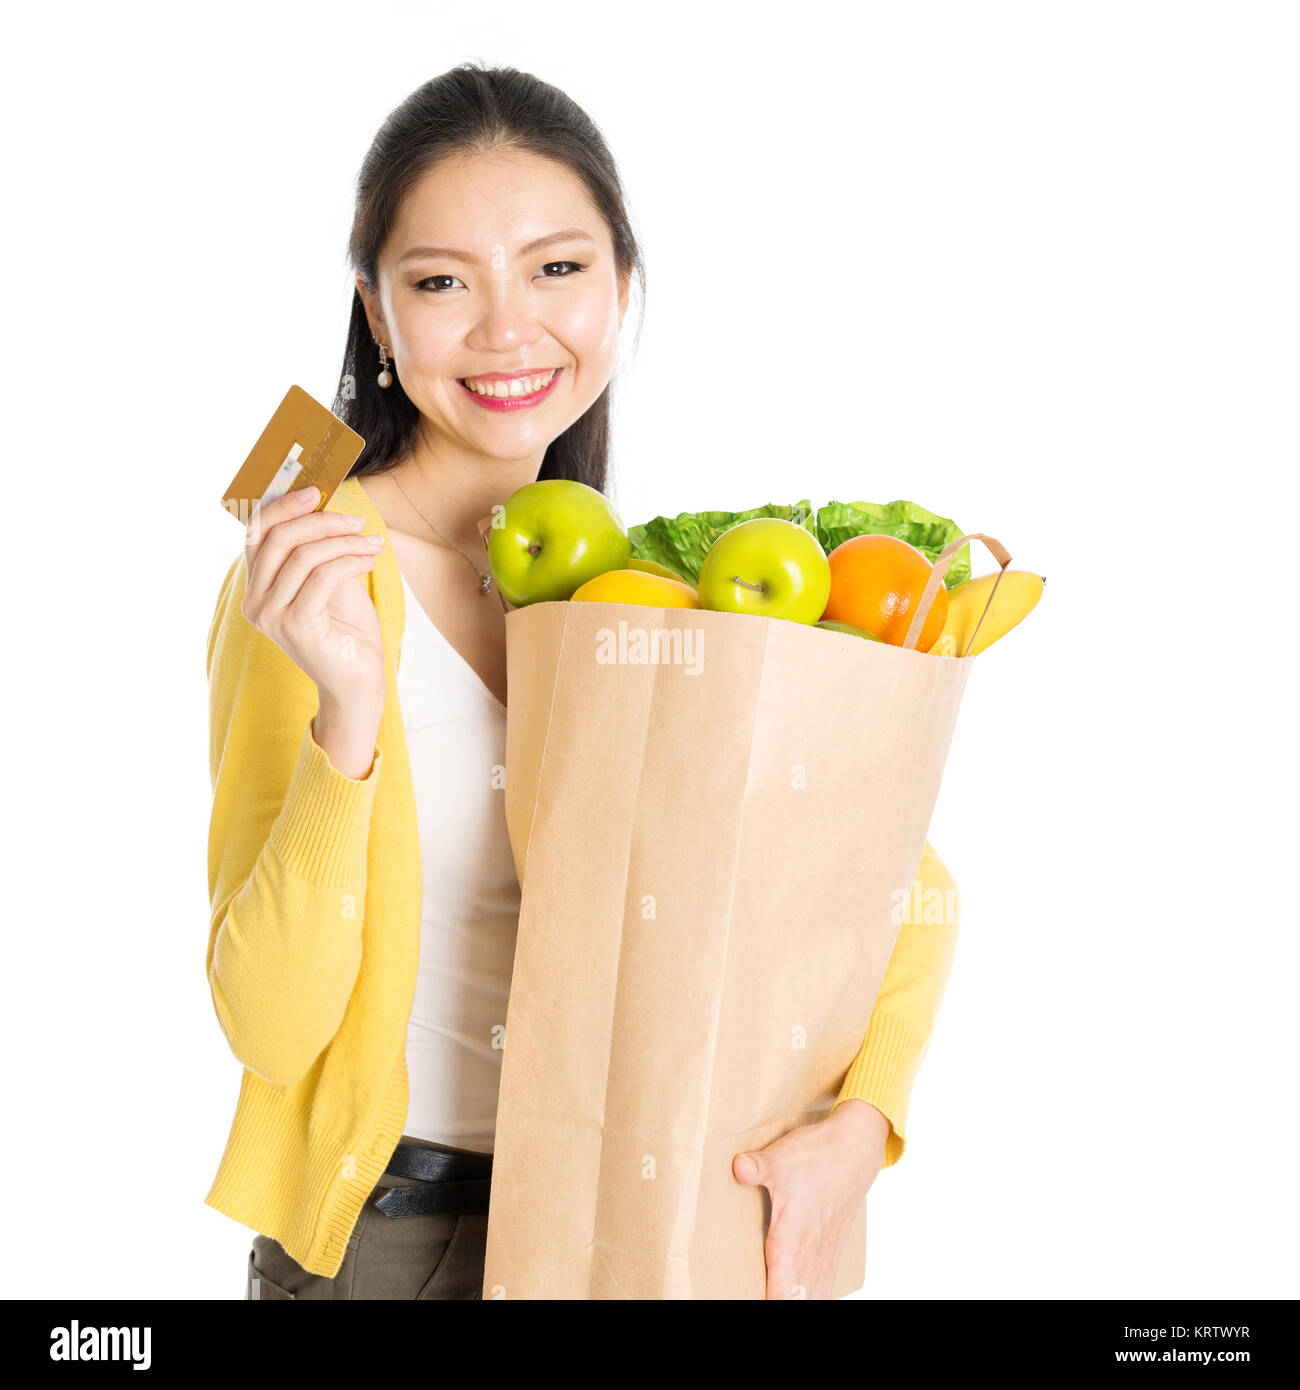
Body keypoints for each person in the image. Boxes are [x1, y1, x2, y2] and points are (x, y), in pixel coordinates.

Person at [205, 62, 962, 1301]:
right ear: (376, 314)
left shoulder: (641, 583)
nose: (507, 330)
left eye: (556, 268)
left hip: (653, 1220)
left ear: (622, 283)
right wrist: (347, 722)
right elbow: (267, 1027)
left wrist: (863, 1121)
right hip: (402, 1241)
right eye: (442, 282)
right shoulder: (319, 583)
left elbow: (892, 877)